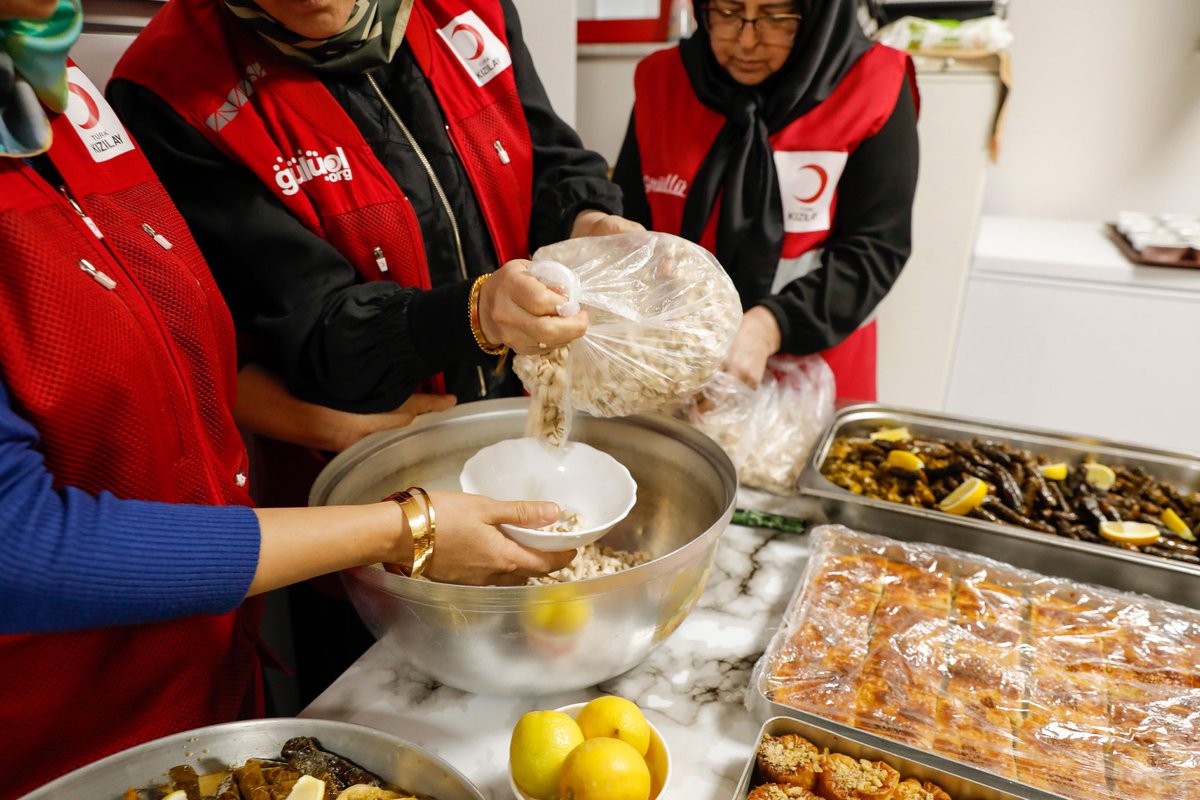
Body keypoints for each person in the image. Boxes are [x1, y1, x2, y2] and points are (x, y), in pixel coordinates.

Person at [0, 2, 573, 792]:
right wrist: (400, 524)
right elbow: (18, 545)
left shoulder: (46, 83)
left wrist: (322, 425)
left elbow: (189, 339)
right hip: (64, 726)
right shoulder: (168, 87)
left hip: (207, 667)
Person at [107, 0, 642, 420]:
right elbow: (304, 325)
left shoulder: (468, 7)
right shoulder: (170, 88)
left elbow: (544, 154)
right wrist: (475, 314)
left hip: (522, 401)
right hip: (369, 447)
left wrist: (587, 220)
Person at [612, 0, 919, 400]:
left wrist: (770, 325)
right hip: (678, 364)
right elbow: (628, 222)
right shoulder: (662, 80)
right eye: (726, 13)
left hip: (813, 372)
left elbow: (876, 249)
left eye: (776, 19)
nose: (746, 41)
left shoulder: (873, 84)